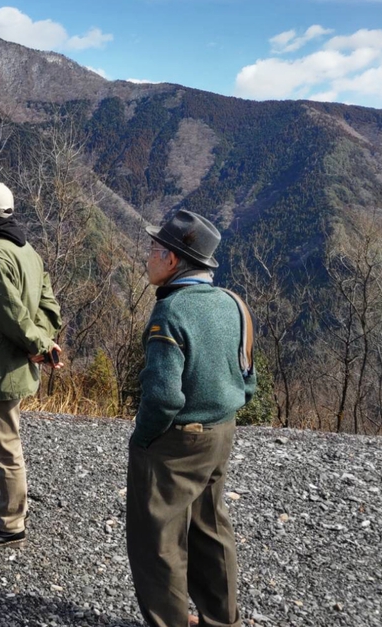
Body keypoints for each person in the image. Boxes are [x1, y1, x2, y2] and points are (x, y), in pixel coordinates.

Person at [127, 210, 257, 627]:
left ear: (171, 260)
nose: (147, 257)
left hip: (178, 440)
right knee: (210, 528)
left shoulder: (172, 312)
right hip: (222, 432)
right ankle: (224, 620)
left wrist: (143, 439)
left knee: (158, 540)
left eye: (152, 250)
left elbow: (163, 396)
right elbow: (248, 377)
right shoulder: (233, 304)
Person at [0, 180, 63, 550]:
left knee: (2, 446)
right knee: (7, 439)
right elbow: (48, 302)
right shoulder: (26, 250)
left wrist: (39, 345)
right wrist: (45, 341)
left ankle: (10, 522)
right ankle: (9, 503)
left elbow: (12, 317)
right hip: (15, 363)